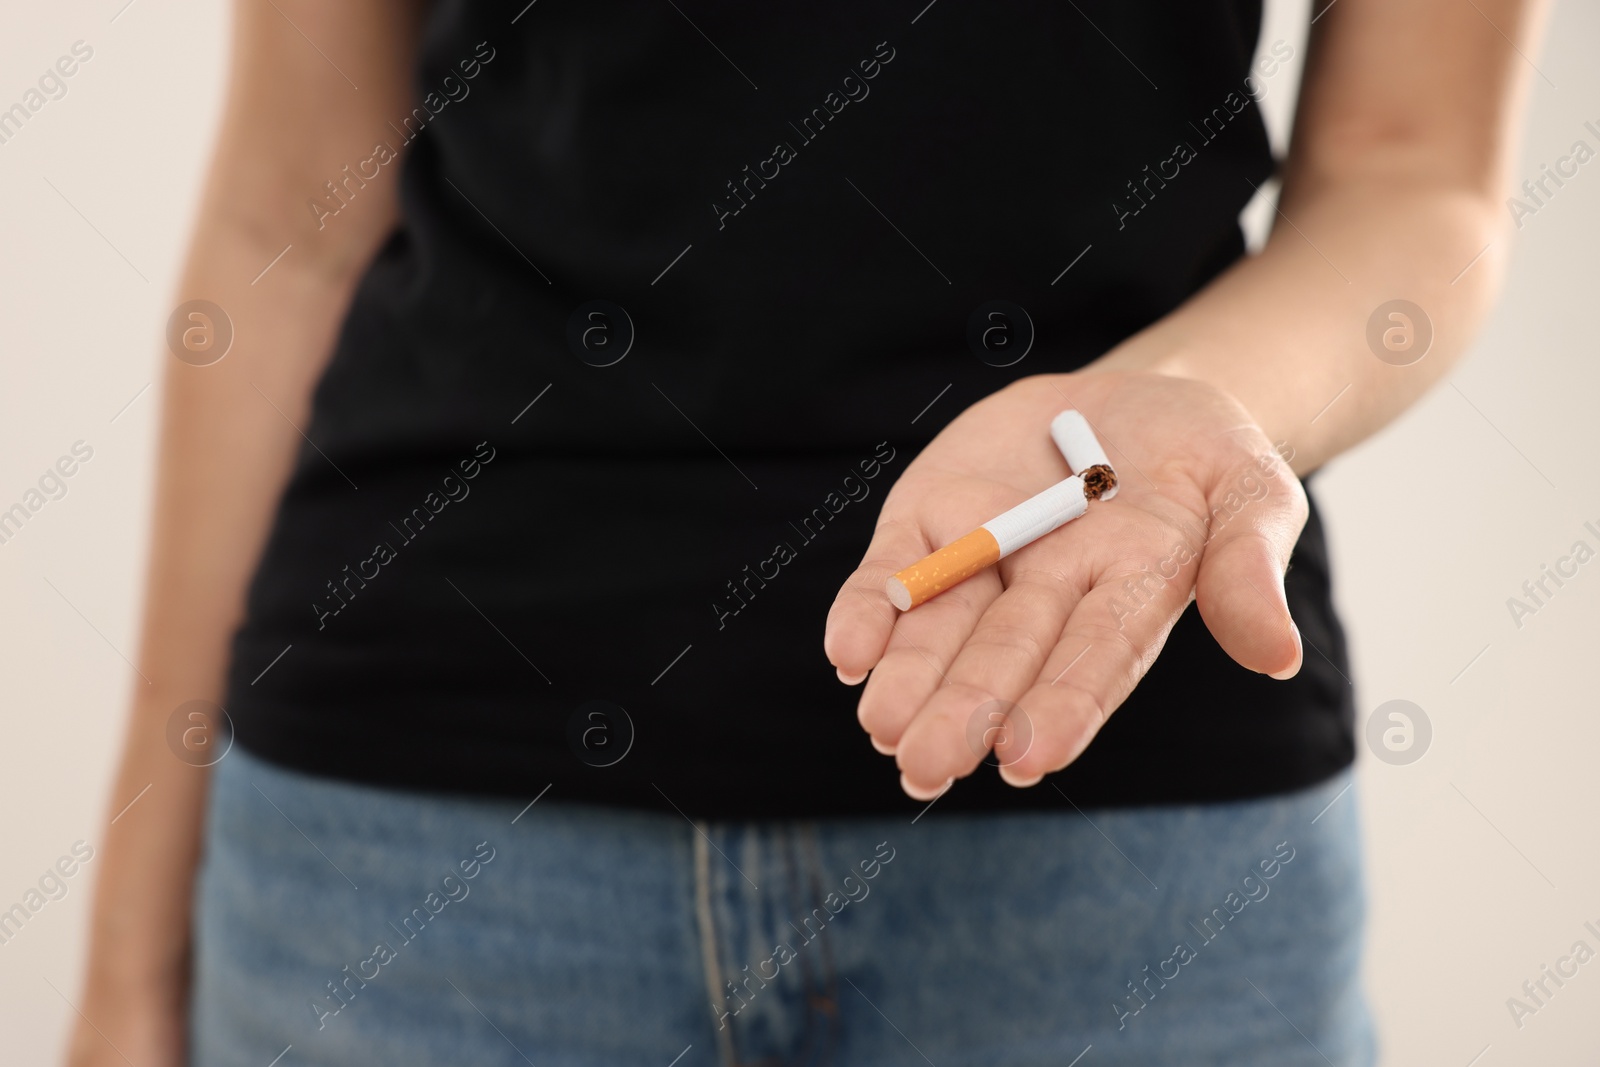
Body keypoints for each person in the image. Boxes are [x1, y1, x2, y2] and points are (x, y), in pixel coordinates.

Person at [66, 1, 1542, 1064]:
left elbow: (1418, 172)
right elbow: (295, 212)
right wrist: (128, 967)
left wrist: (1174, 408)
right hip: (420, 838)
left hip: (1130, 837)